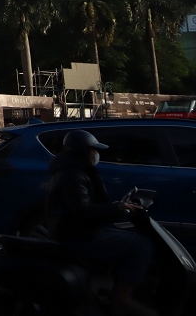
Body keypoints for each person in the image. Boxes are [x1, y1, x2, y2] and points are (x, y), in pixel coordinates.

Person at [45, 129, 154, 316]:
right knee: (140, 246)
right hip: (77, 234)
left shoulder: (78, 170)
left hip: (83, 229)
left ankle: (115, 287)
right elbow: (82, 210)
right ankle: (123, 298)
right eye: (93, 150)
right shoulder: (72, 175)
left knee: (132, 237)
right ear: (82, 151)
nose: (96, 154)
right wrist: (117, 208)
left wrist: (119, 208)